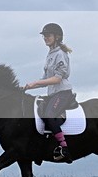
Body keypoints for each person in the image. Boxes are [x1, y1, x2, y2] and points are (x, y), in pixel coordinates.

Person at [23, 23, 75, 163]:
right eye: (44, 35)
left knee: (49, 115)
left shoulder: (60, 54)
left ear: (57, 37)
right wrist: (28, 86)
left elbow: (58, 78)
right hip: (53, 94)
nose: (45, 38)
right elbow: (45, 79)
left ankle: (64, 149)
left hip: (63, 93)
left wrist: (36, 83)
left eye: (48, 35)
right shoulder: (50, 54)